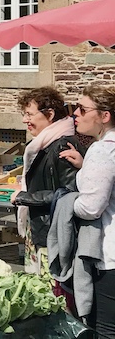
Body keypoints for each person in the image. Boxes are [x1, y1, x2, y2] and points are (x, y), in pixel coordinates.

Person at [9, 87, 83, 275]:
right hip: (40, 228)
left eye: (29, 115)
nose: (25, 120)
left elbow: (69, 194)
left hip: (52, 232)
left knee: (49, 292)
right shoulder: (42, 144)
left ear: (49, 114)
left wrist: (24, 197)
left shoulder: (62, 146)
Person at [65, 85, 115, 337]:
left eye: (83, 109)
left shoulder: (103, 150)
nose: (75, 113)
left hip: (109, 253)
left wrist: (62, 201)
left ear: (104, 116)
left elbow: (92, 207)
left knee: (106, 329)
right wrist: (86, 167)